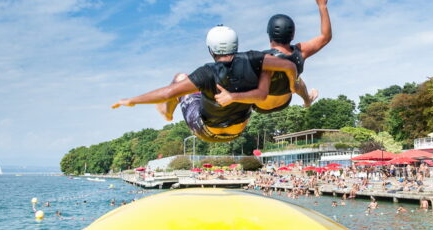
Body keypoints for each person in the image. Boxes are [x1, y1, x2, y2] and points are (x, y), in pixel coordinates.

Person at [112, 26, 297, 143]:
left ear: (210, 49)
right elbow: (289, 66)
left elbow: (167, 92)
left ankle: (167, 113)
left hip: (206, 130)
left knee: (180, 78)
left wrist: (132, 100)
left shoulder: (206, 73)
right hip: (238, 130)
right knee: (204, 92)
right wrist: (292, 86)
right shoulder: (256, 59)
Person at [254, 0, 332, 113]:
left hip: (260, 106)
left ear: (269, 34)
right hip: (283, 101)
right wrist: (322, 6)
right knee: (296, 79)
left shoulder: (261, 58)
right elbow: (326, 37)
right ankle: (307, 101)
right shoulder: (300, 52)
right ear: (293, 34)